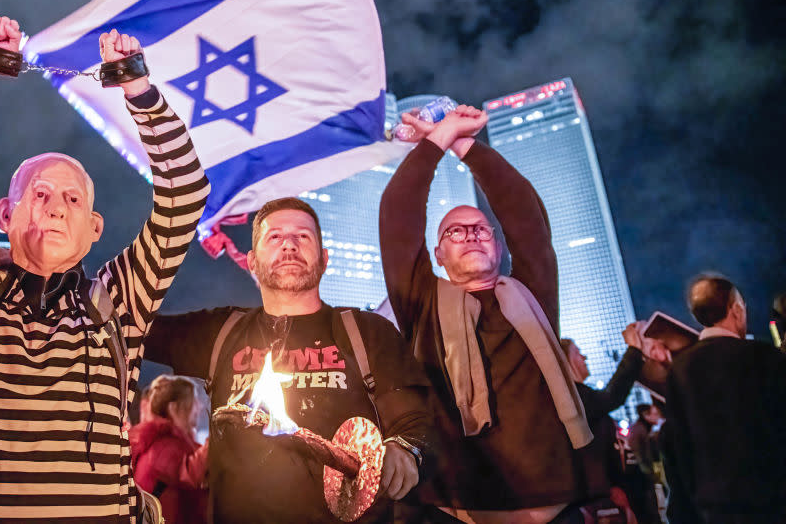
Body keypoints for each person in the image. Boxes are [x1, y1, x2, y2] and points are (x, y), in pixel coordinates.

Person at [0, 15, 209, 521]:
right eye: (40, 194)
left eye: (72, 198)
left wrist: (137, 85)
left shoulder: (120, 302)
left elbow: (185, 195)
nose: (55, 207)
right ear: (6, 215)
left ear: (94, 227)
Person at [381, 105, 608, 523]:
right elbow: (398, 215)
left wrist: (465, 144)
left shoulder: (532, 295)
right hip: (456, 511)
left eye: (481, 229)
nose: (470, 234)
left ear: (499, 248)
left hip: (554, 509)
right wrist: (439, 138)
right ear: (438, 256)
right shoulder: (421, 303)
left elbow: (526, 217)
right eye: (455, 231)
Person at [145, 197, 435, 524]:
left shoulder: (367, 332)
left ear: (324, 259)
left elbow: (413, 419)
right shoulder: (220, 332)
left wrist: (404, 449)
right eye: (275, 237)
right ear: (252, 261)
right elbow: (131, 327)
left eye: (303, 236)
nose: (289, 245)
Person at [662, 274, 786, 523]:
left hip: (713, 507)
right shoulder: (764, 357)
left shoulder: (680, 369)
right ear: (736, 310)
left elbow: (679, 446)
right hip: (771, 501)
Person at [562, 325, 653, 523]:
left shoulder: (582, 396)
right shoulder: (574, 397)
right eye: (578, 353)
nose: (585, 357)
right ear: (564, 362)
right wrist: (633, 351)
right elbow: (612, 396)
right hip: (599, 504)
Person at [131, 375, 208, 524]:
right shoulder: (164, 446)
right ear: (174, 408)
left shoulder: (172, 442)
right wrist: (218, 438)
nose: (198, 407)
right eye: (192, 401)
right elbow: (190, 474)